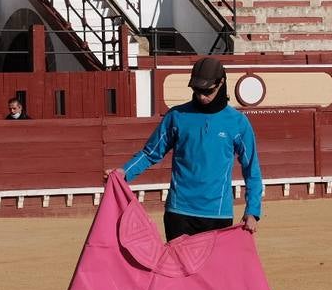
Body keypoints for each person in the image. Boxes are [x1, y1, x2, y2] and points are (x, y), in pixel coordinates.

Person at [106, 56, 261, 240]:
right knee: (175, 269)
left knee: (211, 270)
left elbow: (251, 169)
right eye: (197, 90)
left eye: (207, 91)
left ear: (221, 83)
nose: (202, 96)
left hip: (217, 214)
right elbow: (150, 153)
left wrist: (252, 210)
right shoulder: (177, 116)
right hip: (179, 212)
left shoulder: (237, 122)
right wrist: (125, 173)